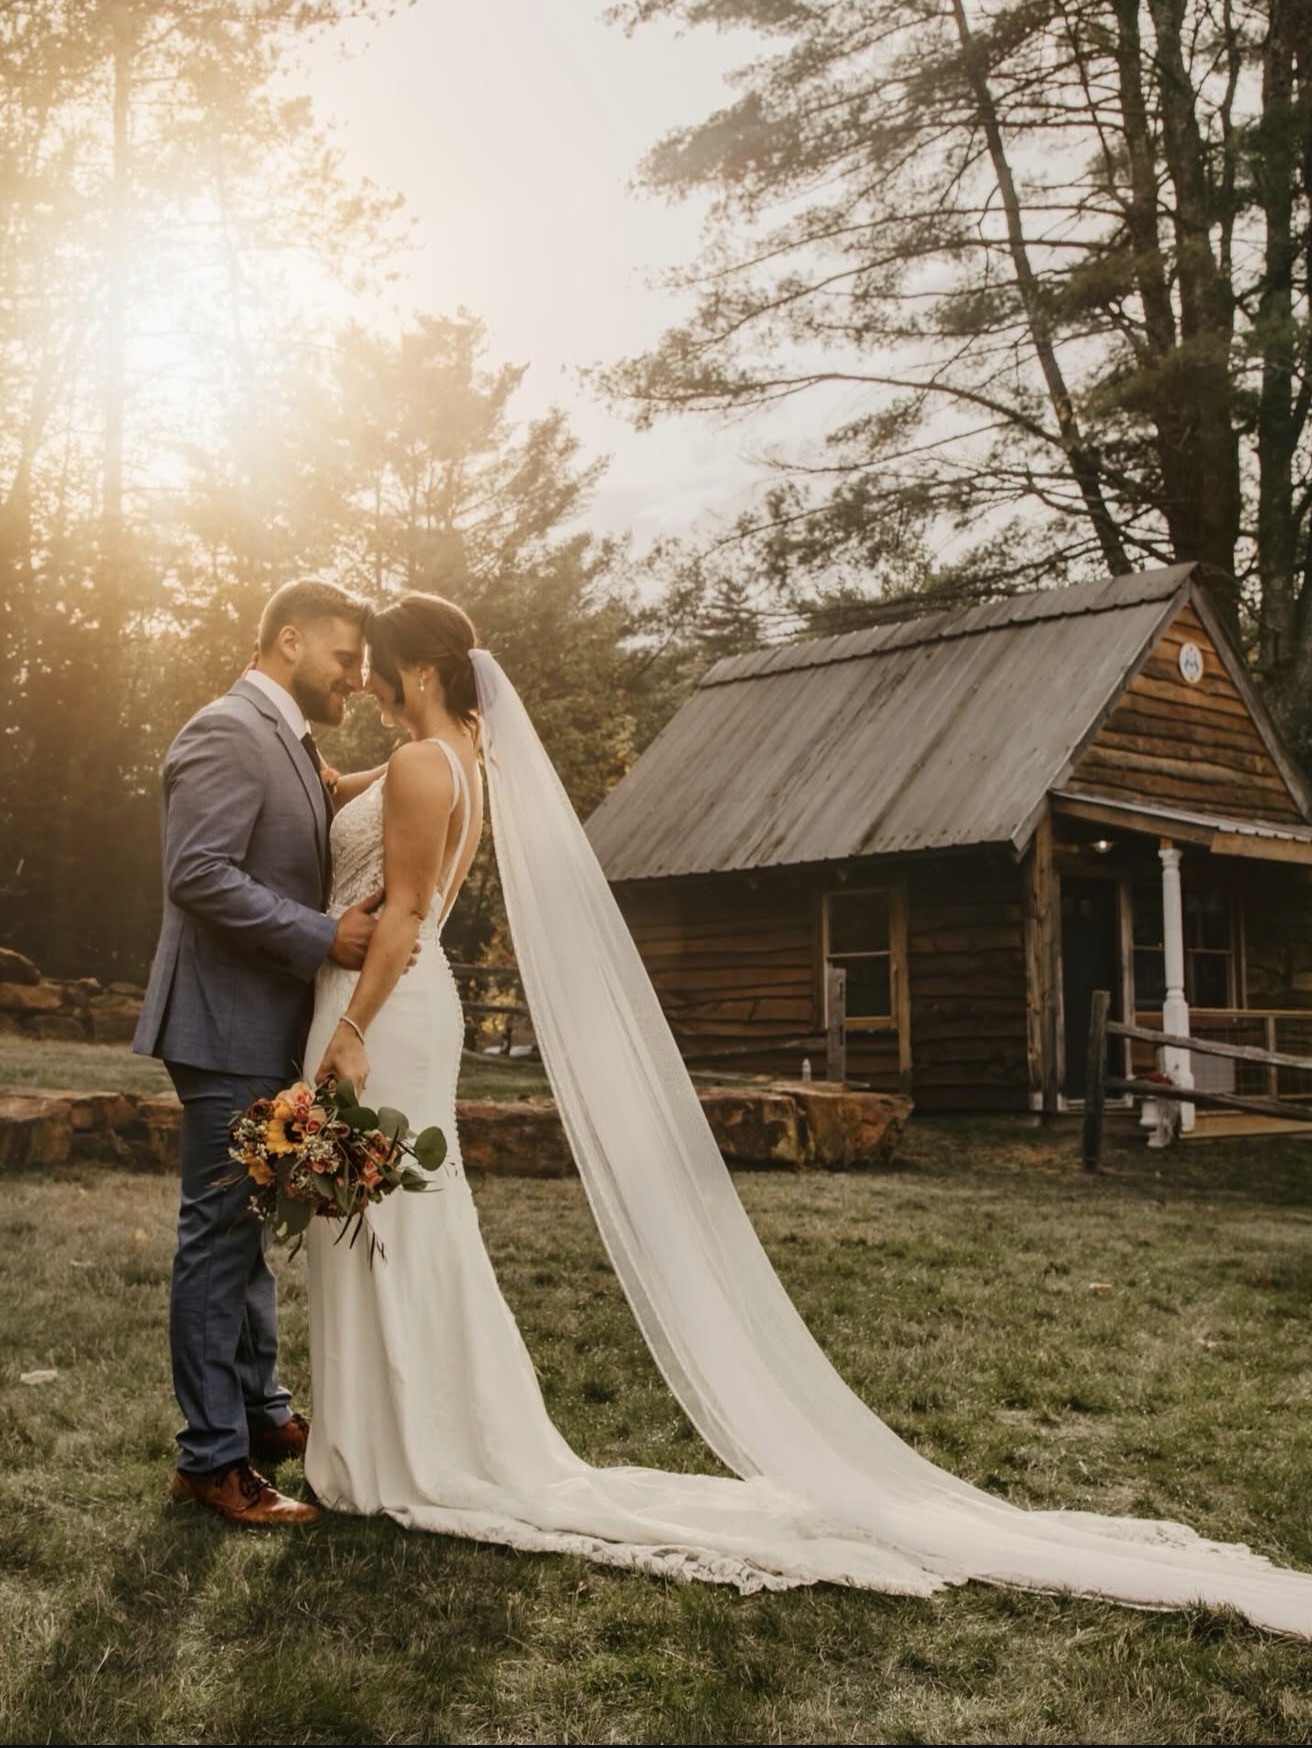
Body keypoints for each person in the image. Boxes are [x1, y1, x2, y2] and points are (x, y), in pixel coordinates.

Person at [301, 591, 1312, 1634]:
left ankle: (404, 1442)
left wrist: (352, 1027)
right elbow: (355, 794)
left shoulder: (428, 761)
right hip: (407, 1006)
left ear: (414, 668)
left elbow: (410, 910)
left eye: (374, 663)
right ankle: (405, 1427)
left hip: (386, 1007)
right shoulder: (454, 750)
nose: (364, 681)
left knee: (390, 1214)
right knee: (401, 1216)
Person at [134, 579, 383, 1528]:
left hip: (260, 1020)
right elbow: (198, 874)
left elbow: (313, 811)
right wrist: (326, 938)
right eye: (345, 658)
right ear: (289, 640)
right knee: (220, 1232)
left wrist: (419, 764)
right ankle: (210, 1460)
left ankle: (263, 1411)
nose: (357, 679)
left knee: (246, 1223)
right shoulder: (227, 729)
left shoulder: (286, 738)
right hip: (223, 1018)